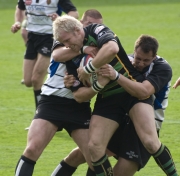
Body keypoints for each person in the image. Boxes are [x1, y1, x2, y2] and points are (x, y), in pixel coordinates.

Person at [52, 16, 178, 176]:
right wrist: (98, 84)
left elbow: (112, 48)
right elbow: (78, 95)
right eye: (64, 44)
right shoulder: (71, 56)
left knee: (150, 142)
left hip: (130, 91)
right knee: (94, 147)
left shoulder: (95, 30)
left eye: (68, 40)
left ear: (78, 31)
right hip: (108, 98)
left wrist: (89, 69)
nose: (67, 46)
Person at [14, 9, 104, 176]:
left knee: (94, 158)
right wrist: (83, 49)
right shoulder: (65, 39)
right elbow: (57, 55)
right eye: (91, 25)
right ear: (81, 25)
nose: (94, 30)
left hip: (79, 105)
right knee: (33, 149)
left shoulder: (100, 45)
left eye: (99, 26)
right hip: (52, 101)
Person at [11, 0, 79, 113]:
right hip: (32, 37)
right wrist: (17, 22)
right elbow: (20, 7)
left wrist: (60, 20)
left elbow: (74, 13)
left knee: (36, 79)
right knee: (28, 81)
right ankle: (52, 99)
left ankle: (41, 115)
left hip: (49, 38)